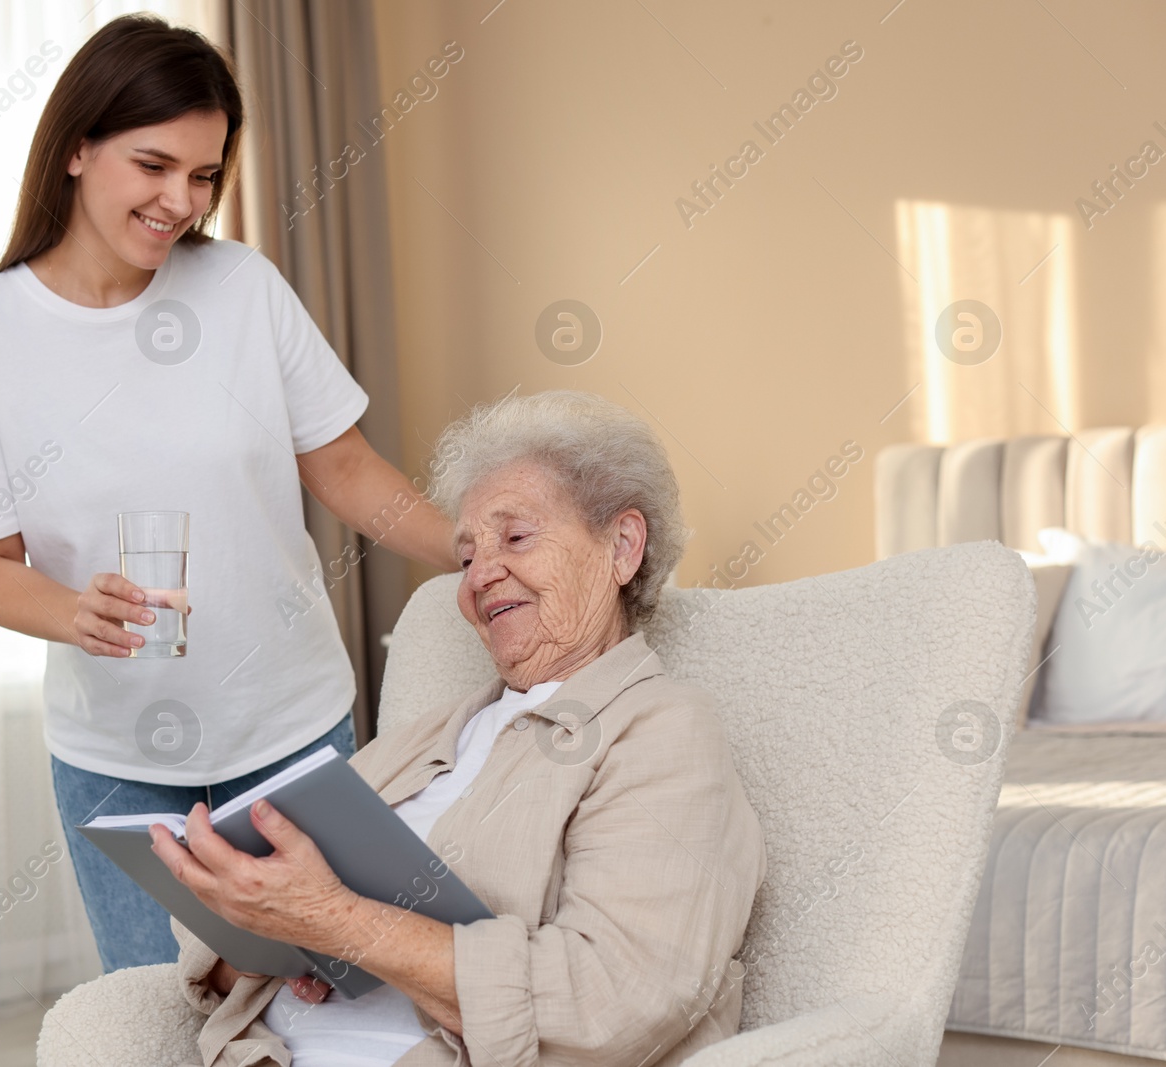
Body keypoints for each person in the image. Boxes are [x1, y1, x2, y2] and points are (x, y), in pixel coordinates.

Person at [0, 13, 455, 973]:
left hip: (291, 734)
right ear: (78, 148)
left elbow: (342, 466)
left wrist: (471, 549)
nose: (181, 200)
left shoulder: (242, 288)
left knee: (327, 1000)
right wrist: (72, 609)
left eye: (205, 175)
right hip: (117, 767)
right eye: (155, 165)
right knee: (158, 1018)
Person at [151, 390, 768, 1066]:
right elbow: (210, 960)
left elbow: (612, 999)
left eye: (517, 537)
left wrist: (338, 921)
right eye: (467, 555)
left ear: (622, 547)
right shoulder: (433, 733)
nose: (480, 576)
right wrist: (278, 934)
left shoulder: (661, 731)